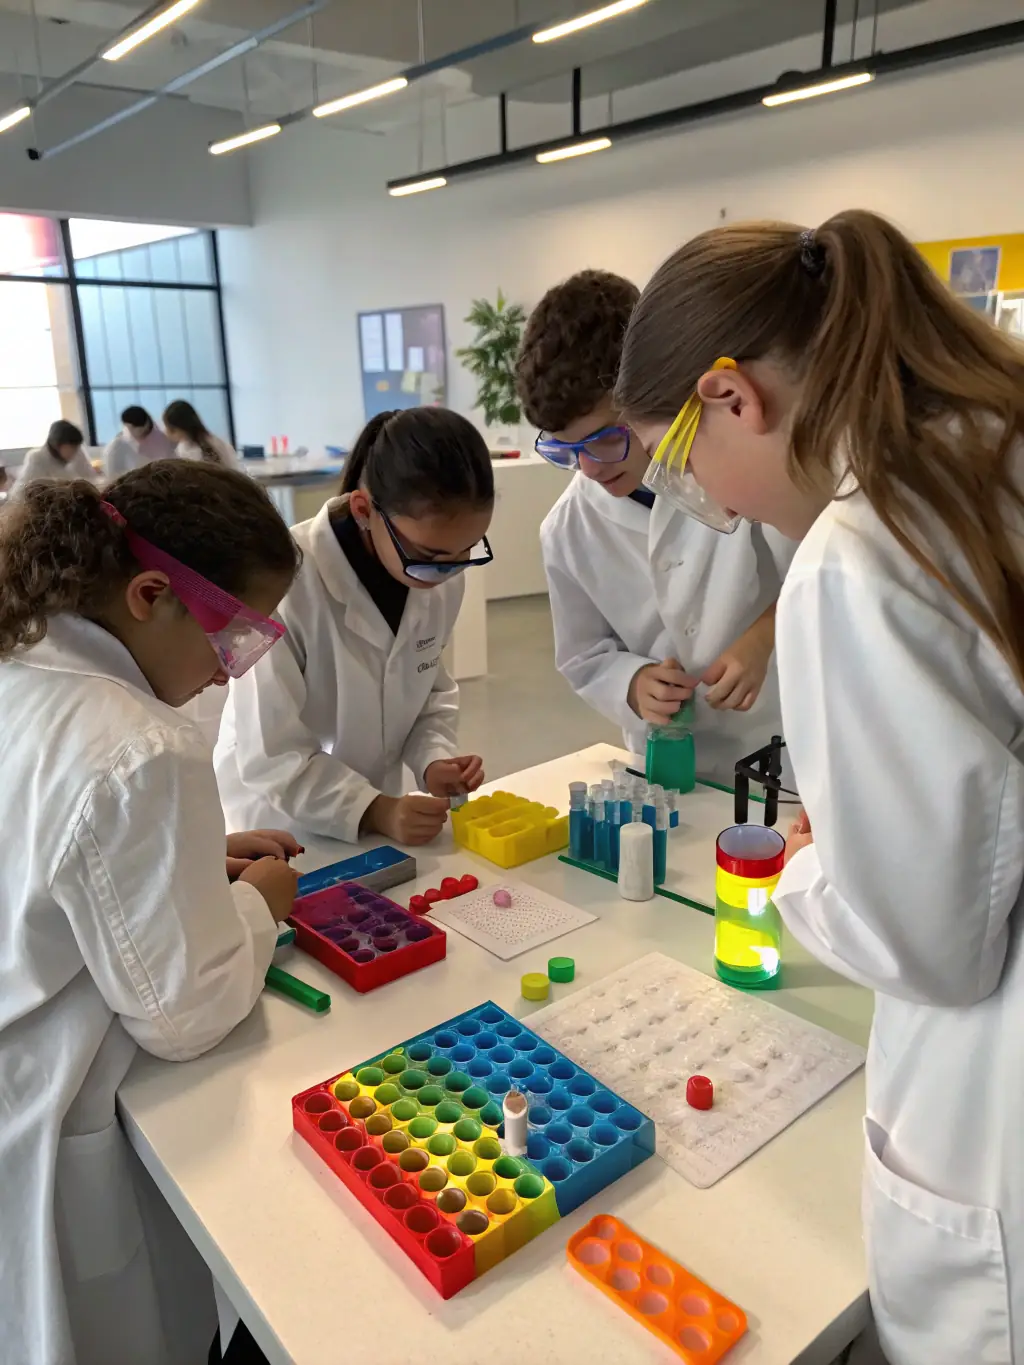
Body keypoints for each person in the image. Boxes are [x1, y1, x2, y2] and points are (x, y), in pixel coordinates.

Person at [616, 210, 1024, 1365]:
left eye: (687, 469)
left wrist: (808, 870)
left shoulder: (863, 549)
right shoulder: (990, 443)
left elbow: (929, 946)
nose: (717, 505)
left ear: (730, 396)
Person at [0, 459, 303, 1365]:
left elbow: (50, 863)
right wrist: (257, 906)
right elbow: (186, 1011)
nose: (226, 674)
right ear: (150, 595)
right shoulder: (140, 745)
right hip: (51, 1121)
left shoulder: (22, 668)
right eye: (231, 636)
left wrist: (183, 860)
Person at [516, 269, 796, 776]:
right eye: (566, 450)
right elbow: (584, 654)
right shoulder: (569, 528)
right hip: (663, 754)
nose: (589, 468)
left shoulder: (740, 474)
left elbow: (813, 568)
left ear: (652, 388)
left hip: (779, 735)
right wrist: (631, 682)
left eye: (606, 438)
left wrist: (763, 637)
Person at [215, 407, 493, 846]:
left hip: (373, 811)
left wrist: (433, 760)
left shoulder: (438, 577)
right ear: (364, 509)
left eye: (467, 551)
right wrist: (375, 809)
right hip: (277, 819)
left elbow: (427, 689)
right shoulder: (281, 584)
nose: (448, 573)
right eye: (430, 555)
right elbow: (271, 754)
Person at [16, 418, 94, 489]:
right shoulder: (37, 459)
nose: (75, 451)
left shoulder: (77, 451)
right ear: (57, 445)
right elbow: (22, 492)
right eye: (72, 447)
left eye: (76, 447)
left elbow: (91, 478)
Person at [104, 404, 175, 479]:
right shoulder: (116, 447)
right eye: (132, 428)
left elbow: (171, 465)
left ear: (147, 422)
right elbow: (112, 477)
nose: (138, 432)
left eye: (141, 429)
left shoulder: (163, 438)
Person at [163, 399, 239, 468]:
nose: (166, 433)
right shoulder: (216, 441)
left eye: (171, 430)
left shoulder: (186, 450)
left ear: (183, 428)